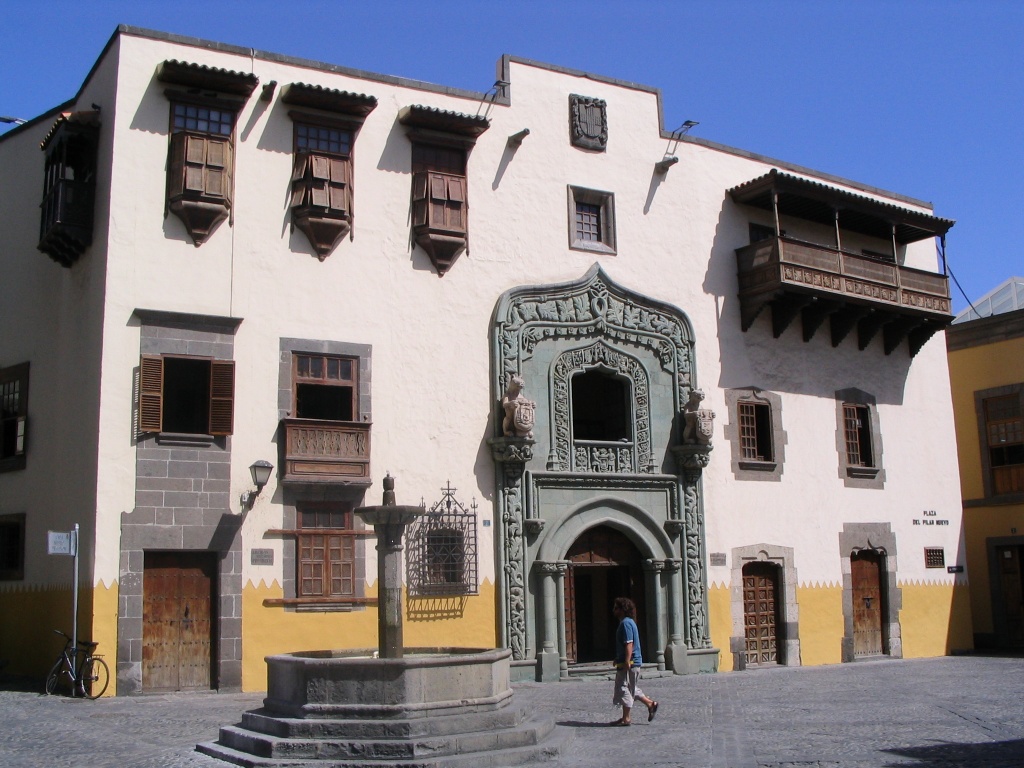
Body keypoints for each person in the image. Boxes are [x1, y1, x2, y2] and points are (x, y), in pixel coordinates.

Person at [611, 596, 659, 726]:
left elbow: (629, 643)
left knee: (623, 688)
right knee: (631, 687)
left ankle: (626, 718)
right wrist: (619, 658)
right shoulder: (628, 622)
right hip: (629, 661)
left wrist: (627, 660)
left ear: (623, 609)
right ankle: (651, 704)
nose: (613, 610)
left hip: (630, 663)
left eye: (616, 608)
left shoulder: (626, 623)